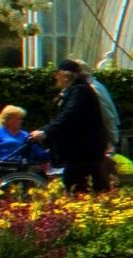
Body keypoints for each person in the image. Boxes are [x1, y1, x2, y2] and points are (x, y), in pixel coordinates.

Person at [33, 59, 113, 194]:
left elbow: (69, 115)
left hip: (83, 150)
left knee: (76, 184)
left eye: (57, 73)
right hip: (82, 150)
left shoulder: (80, 91)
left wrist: (45, 132)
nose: (56, 77)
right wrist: (44, 129)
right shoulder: (76, 90)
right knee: (90, 185)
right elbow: (63, 116)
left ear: (65, 75)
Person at [0, 105, 50, 173]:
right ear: (8, 119)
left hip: (21, 166)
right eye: (18, 118)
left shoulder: (25, 135)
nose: (21, 121)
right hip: (2, 166)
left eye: (21, 119)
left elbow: (38, 152)